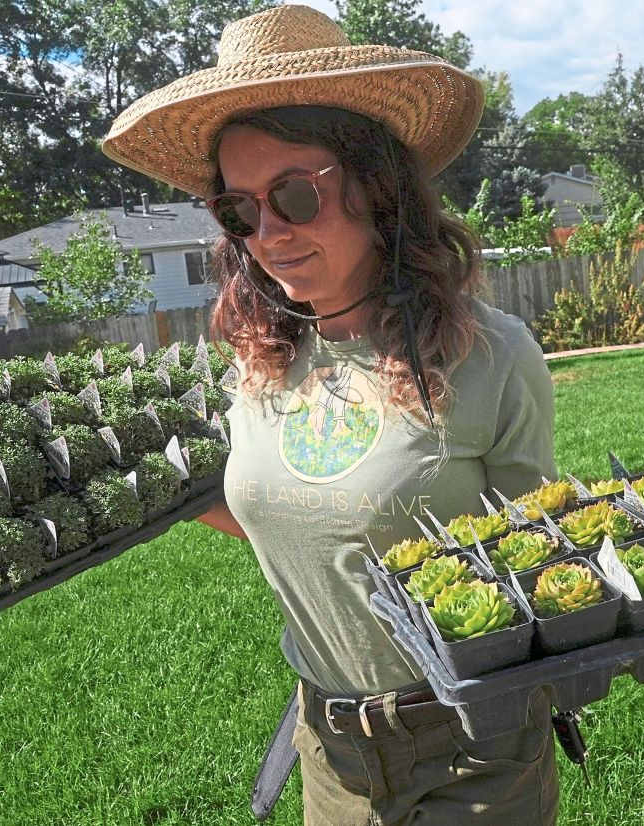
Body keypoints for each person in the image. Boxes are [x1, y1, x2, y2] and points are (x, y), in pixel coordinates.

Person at [102, 6, 559, 824]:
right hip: (329, 746)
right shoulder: (258, 360)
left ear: (375, 185)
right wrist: (133, 495)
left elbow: (536, 562)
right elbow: (305, 518)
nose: (267, 235)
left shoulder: (492, 355)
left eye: (291, 195)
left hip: (472, 744)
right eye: (239, 210)